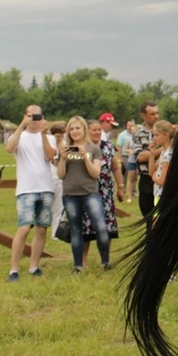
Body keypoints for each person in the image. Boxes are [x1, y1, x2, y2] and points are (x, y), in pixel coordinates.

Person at [4, 105, 57, 282]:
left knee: (41, 229)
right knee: (24, 228)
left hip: (46, 187)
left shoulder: (49, 137)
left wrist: (43, 133)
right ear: (25, 116)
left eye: (38, 116)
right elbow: (10, 148)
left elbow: (50, 156)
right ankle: (14, 269)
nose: (35, 120)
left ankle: (34, 266)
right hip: (26, 189)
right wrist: (21, 126)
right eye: (31, 116)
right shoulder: (19, 136)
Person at [55, 116, 110, 272]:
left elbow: (95, 174)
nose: (75, 131)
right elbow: (61, 175)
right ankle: (78, 265)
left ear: (84, 129)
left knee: (100, 227)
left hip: (90, 193)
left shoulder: (93, 148)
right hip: (70, 194)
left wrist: (85, 157)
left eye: (78, 128)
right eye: (71, 129)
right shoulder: (64, 149)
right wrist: (63, 159)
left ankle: (105, 261)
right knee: (76, 230)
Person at [80, 121, 123, 268]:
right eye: (94, 130)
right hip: (86, 190)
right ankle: (83, 260)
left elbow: (115, 168)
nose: (97, 132)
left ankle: (105, 260)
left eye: (99, 130)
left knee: (106, 225)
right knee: (86, 226)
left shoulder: (108, 146)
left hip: (105, 191)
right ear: (87, 131)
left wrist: (121, 186)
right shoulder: (82, 147)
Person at [132, 101, 162, 236]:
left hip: (163, 179)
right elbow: (140, 157)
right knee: (149, 218)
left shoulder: (165, 130)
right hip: (146, 180)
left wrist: (150, 153)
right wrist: (163, 150)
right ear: (143, 116)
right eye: (152, 114)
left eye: (157, 113)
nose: (156, 117)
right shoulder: (138, 134)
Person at [48, 122, 67, 239]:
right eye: (57, 136)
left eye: (61, 136)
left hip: (60, 179)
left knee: (59, 208)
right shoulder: (49, 145)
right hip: (48, 178)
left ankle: (55, 233)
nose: (59, 138)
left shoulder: (65, 146)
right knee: (49, 207)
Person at [149, 120, 175, 201]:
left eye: (156, 135)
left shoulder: (168, 154)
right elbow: (151, 171)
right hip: (158, 193)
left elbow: (162, 181)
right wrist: (152, 155)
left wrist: (154, 177)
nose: (154, 138)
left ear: (165, 135)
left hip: (163, 196)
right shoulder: (164, 152)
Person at [117, 119, 136, 199]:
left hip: (134, 156)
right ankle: (123, 190)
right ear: (126, 126)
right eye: (129, 126)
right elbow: (118, 147)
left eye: (132, 126)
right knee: (126, 173)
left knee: (134, 174)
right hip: (125, 156)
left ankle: (133, 191)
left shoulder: (135, 134)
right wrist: (119, 158)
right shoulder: (122, 135)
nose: (130, 127)